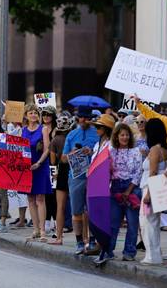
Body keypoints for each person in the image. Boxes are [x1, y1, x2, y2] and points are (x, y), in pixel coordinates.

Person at [62, 106, 99, 254]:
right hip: (76, 177)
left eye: (87, 117)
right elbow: (63, 159)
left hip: (93, 176)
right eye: (81, 117)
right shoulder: (71, 135)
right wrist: (72, 153)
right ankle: (78, 242)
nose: (84, 120)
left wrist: (91, 151)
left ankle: (92, 241)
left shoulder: (97, 134)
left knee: (92, 211)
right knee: (76, 211)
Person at [107, 123, 143, 261]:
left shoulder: (136, 151)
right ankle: (108, 249)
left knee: (132, 223)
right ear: (116, 136)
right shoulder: (110, 151)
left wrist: (128, 191)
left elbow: (138, 172)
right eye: (122, 135)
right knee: (113, 222)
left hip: (132, 188)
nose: (125, 137)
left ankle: (129, 252)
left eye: (127, 135)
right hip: (115, 187)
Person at [139, 119, 167, 265]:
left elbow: (153, 172)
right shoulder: (164, 149)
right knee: (153, 222)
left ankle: (152, 256)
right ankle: (154, 254)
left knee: (147, 222)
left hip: (150, 188)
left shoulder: (155, 150)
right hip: (157, 187)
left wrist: (148, 194)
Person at [22, 104, 52, 242]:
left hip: (40, 165)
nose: (33, 115)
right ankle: (35, 229)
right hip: (27, 167)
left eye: (35, 113)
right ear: (26, 115)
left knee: (40, 198)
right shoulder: (23, 130)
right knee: (30, 199)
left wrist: (39, 163)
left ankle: (43, 231)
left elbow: (47, 149)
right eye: (31, 113)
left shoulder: (43, 129)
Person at [88, 114, 114, 265]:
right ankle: (100, 247)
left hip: (106, 187)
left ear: (106, 129)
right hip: (94, 185)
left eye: (99, 127)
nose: (96, 129)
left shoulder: (111, 145)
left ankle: (106, 250)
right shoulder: (98, 144)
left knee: (104, 220)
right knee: (94, 217)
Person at [48, 111, 74, 245]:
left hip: (61, 171)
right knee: (79, 206)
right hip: (76, 169)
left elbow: (52, 161)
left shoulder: (55, 140)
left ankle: (59, 237)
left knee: (60, 206)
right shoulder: (74, 137)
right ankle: (85, 239)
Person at [41, 106, 58, 236]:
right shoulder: (40, 129)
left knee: (53, 194)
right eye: (44, 114)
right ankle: (46, 221)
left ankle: (56, 221)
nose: (46, 116)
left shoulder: (56, 130)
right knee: (45, 193)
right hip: (42, 164)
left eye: (49, 114)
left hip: (54, 165)